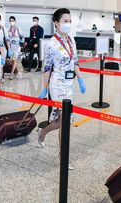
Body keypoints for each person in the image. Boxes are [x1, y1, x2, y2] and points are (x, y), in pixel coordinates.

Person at [37, 8, 86, 169]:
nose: (68, 24)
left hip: (69, 84)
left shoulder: (71, 40)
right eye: (65, 21)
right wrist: (44, 89)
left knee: (59, 122)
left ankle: (43, 132)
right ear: (56, 23)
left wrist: (80, 79)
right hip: (57, 85)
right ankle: (63, 157)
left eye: (69, 21)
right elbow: (47, 69)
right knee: (65, 122)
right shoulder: (51, 44)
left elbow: (76, 62)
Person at [0, 13, 11, 83]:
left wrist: (9, 49)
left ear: (0, 19)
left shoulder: (4, 29)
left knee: (1, 65)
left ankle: (0, 80)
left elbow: (7, 39)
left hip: (2, 48)